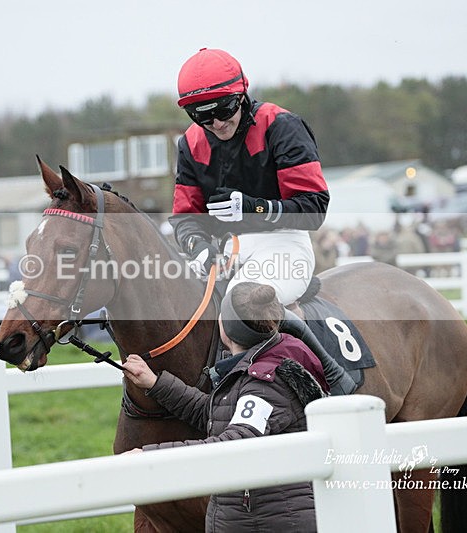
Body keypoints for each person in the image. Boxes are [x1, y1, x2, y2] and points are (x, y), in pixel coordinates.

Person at [170, 48, 354, 395]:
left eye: (224, 110)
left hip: (284, 243)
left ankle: (330, 379)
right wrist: (196, 245)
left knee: (241, 304)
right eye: (202, 117)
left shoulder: (281, 126)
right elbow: (186, 218)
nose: (217, 124)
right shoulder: (190, 143)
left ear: (242, 94)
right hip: (224, 252)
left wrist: (255, 208)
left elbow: (314, 208)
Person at [122, 282, 328, 532]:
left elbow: (233, 444)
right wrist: (155, 383)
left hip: (265, 524)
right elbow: (214, 413)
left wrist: (149, 457)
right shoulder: (262, 362)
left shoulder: (265, 382)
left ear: (227, 329)